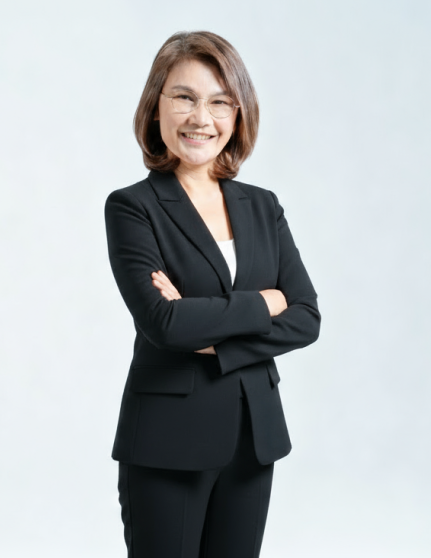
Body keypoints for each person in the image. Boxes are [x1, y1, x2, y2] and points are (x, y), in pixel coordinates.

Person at [104, 30, 321, 558]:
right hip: (168, 441)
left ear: (238, 115)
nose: (202, 118)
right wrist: (264, 303)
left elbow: (306, 317)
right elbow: (165, 324)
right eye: (185, 97)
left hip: (253, 438)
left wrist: (209, 333)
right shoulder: (132, 208)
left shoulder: (263, 206)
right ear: (156, 106)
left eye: (220, 102)